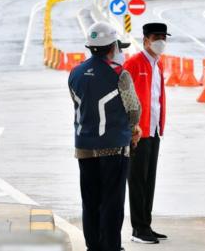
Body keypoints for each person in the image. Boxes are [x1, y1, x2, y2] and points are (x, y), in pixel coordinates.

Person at [68, 21, 142, 251]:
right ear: (112, 47)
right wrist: (135, 128)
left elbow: (78, 104)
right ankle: (111, 246)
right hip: (113, 148)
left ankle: (94, 246)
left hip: (84, 147)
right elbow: (133, 109)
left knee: (90, 202)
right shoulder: (121, 74)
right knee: (112, 203)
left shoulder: (75, 72)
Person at [123, 23, 170, 244]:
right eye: (156, 37)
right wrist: (129, 128)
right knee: (137, 181)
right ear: (145, 41)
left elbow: (156, 100)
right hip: (137, 133)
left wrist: (159, 126)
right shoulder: (133, 63)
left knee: (149, 181)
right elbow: (122, 96)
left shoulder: (158, 65)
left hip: (153, 131)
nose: (161, 41)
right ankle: (138, 229)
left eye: (163, 37)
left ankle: (146, 224)